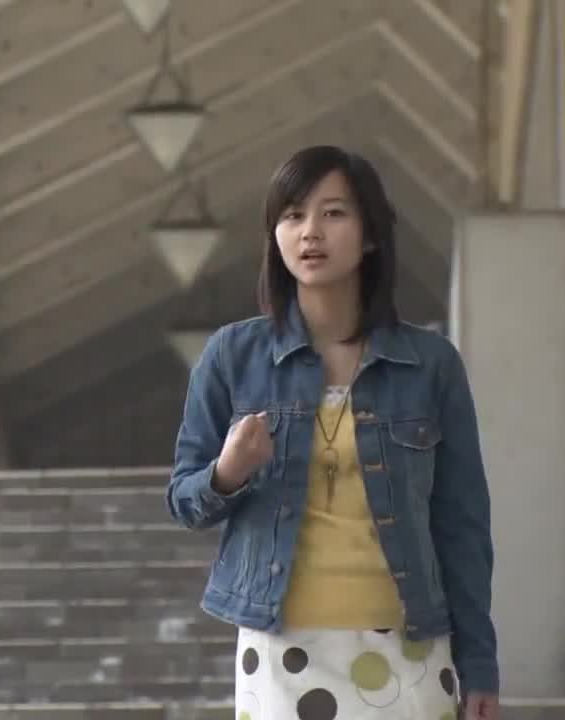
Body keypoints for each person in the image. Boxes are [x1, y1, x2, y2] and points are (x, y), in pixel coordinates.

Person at [167, 145, 499, 720]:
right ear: (274, 235)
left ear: (370, 236)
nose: (310, 232)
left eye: (333, 213)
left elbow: (462, 525)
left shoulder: (431, 364)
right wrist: (227, 473)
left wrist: (480, 665)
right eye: (293, 215)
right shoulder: (232, 356)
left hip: (410, 646)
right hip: (280, 652)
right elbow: (183, 501)